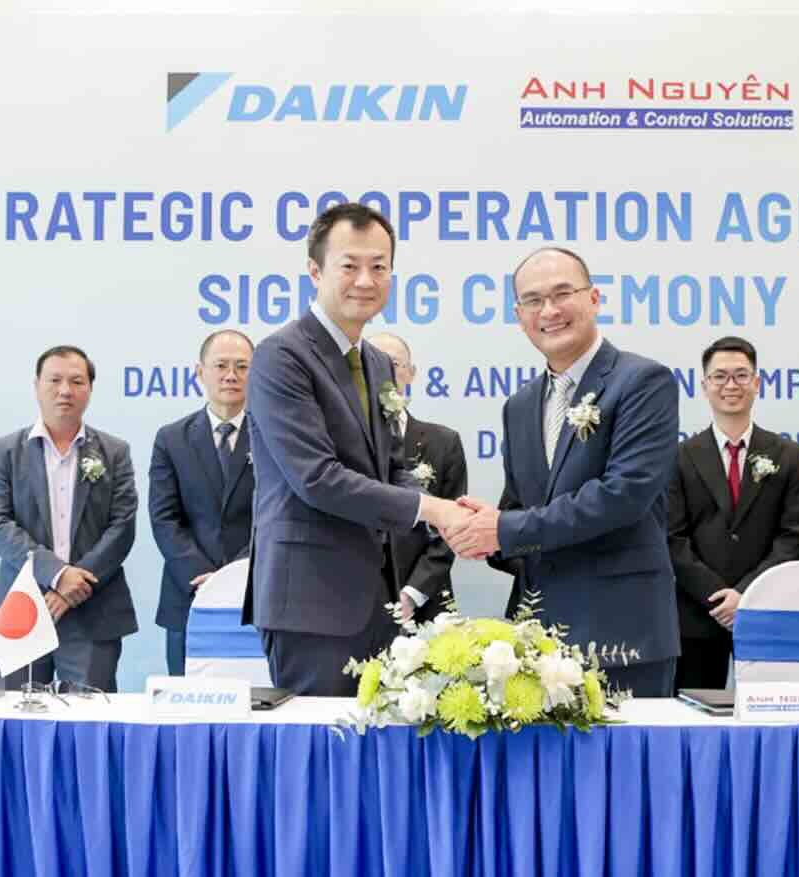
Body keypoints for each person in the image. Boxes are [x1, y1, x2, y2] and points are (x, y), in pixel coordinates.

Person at [242, 203, 471, 695]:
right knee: (324, 741)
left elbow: (391, 466)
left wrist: (450, 514)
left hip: (380, 601)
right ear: (315, 271)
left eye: (379, 267)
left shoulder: (377, 362)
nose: (366, 281)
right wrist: (433, 509)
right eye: (349, 266)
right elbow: (317, 478)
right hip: (311, 603)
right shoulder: (281, 356)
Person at [446, 247, 679, 697]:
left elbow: (623, 496)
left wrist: (504, 529)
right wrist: (479, 533)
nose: (549, 311)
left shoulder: (643, 382)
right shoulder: (519, 406)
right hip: (537, 642)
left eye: (562, 294)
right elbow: (520, 508)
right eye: (533, 300)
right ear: (520, 316)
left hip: (621, 636)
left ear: (594, 298)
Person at [0, 345, 137, 691]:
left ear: (90, 389)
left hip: (92, 609)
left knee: (88, 718)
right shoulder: (5, 451)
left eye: (76, 381)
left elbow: (122, 527)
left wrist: (73, 587)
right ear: (36, 385)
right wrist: (57, 574)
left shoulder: (114, 452)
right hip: (22, 604)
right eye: (54, 380)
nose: (65, 390)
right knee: (12, 713)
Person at [667, 336, 799, 691]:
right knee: (696, 716)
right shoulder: (679, 456)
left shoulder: (787, 454)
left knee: (769, 713)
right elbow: (672, 538)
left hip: (764, 611)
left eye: (741, 375)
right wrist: (719, 596)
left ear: (757, 383)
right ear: (704, 386)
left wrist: (746, 595)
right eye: (720, 376)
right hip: (698, 616)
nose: (730, 385)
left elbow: (792, 537)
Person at [148, 330, 255, 676]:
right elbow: (165, 518)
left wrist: (236, 576)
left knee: (256, 700)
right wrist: (202, 577)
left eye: (242, 366)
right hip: (188, 595)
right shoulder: (171, 438)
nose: (231, 375)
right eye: (221, 365)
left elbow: (276, 515)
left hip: (254, 595)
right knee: (186, 700)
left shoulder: (273, 436)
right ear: (200, 372)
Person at [366, 332, 468, 624]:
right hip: (353, 606)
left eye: (392, 363)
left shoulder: (443, 442)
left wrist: (412, 594)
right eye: (371, 363)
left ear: (410, 373)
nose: (383, 372)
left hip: (427, 606)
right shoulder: (340, 442)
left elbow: (451, 529)